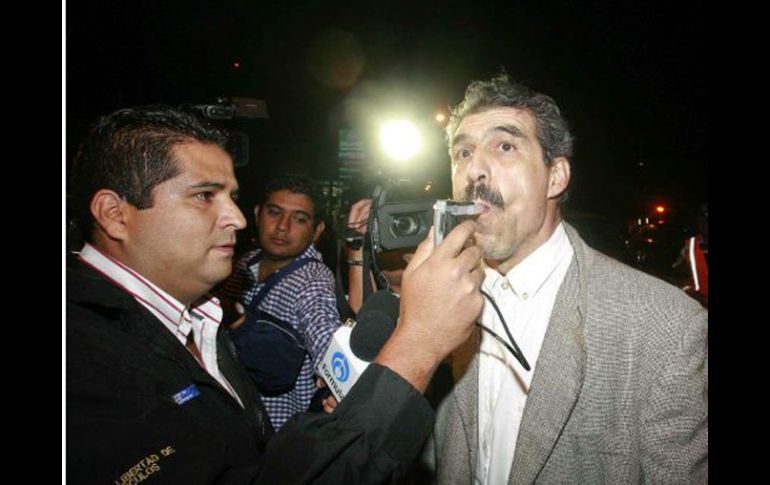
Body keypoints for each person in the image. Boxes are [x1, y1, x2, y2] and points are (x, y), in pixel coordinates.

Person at [66, 105, 485, 484]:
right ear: (114, 215)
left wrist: (350, 405)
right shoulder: (82, 357)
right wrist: (420, 341)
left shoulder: (205, 313)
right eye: (204, 196)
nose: (234, 218)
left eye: (231, 197)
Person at [422, 75, 708, 483]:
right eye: (463, 152)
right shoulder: (441, 300)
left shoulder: (665, 327)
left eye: (505, 146)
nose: (475, 171)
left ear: (556, 176)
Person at [216, 174, 341, 429]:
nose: (283, 226)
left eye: (299, 219)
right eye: (274, 213)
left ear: (317, 231)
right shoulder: (239, 264)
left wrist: (338, 378)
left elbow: (322, 328)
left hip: (280, 433)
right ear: (257, 214)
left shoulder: (313, 278)